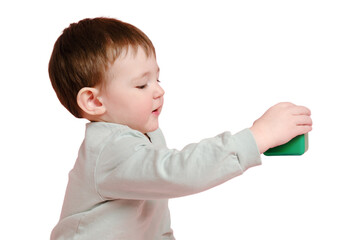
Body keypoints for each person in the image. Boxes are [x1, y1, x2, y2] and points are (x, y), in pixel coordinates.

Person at [49, 17, 312, 240]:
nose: (159, 90)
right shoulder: (109, 149)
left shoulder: (143, 135)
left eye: (157, 78)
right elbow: (178, 172)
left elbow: (154, 219)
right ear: (94, 101)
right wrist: (258, 137)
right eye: (142, 85)